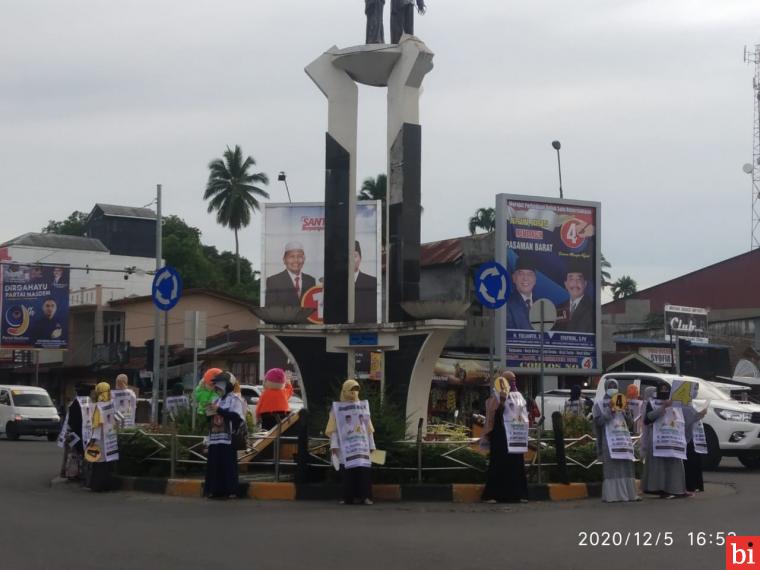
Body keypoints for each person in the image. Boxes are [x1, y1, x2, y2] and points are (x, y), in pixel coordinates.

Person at [325, 379, 376, 505]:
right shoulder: (337, 409)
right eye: (351, 390)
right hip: (345, 449)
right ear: (344, 390)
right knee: (347, 473)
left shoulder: (362, 407)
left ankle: (365, 497)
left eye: (356, 390)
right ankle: (347, 497)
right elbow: (334, 430)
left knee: (364, 472)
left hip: (362, 447)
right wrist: (334, 446)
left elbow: (368, 428)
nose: (354, 393)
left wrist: (372, 445)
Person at [480, 373, 529, 503]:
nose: (513, 383)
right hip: (500, 436)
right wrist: (502, 400)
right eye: (510, 380)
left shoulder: (519, 396)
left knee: (516, 465)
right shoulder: (495, 396)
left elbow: (523, 415)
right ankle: (492, 495)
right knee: (498, 464)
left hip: (515, 436)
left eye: (514, 380)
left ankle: (517, 494)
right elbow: (493, 415)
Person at [592, 379, 639, 502]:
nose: (613, 387)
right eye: (610, 385)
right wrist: (611, 410)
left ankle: (629, 494)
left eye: (615, 386)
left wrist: (627, 412)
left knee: (626, 466)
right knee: (612, 468)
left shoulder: (622, 401)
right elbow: (599, 422)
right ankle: (612, 495)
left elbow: (630, 423)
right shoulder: (600, 404)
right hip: (609, 440)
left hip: (623, 438)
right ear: (606, 387)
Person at [642, 383, 688, 498]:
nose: (664, 393)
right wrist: (663, 408)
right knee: (660, 466)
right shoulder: (652, 403)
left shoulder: (676, 404)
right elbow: (647, 419)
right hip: (659, 438)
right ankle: (661, 490)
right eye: (662, 390)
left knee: (675, 464)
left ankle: (677, 489)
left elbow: (682, 420)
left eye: (666, 390)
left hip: (673, 438)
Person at [204, 372, 245, 499]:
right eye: (216, 384)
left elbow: (237, 417)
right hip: (215, 438)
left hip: (228, 438)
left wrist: (219, 410)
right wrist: (208, 413)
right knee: (214, 464)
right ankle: (215, 490)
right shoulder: (216, 400)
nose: (217, 386)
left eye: (220, 384)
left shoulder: (235, 399)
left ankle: (229, 490)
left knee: (227, 465)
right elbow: (209, 418)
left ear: (228, 385)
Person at [85, 382, 119, 492]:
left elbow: (97, 425)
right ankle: (108, 486)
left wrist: (92, 440)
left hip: (100, 439)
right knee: (109, 464)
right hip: (111, 438)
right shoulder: (112, 404)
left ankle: (97, 486)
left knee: (99, 463)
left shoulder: (98, 406)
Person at [265, 241, 316, 307]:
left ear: (304, 259)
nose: (296, 260)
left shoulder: (311, 280)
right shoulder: (273, 281)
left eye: (299, 256)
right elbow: (271, 309)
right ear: (284, 260)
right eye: (292, 257)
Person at [555, 261, 594, 333]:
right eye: (571, 279)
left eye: (579, 279)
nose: (575, 283)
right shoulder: (558, 309)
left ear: (585, 284)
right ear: (566, 284)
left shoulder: (592, 308)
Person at [684, 397, 708, 495]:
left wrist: (700, 415)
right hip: (687, 437)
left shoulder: (691, 405)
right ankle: (691, 485)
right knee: (691, 461)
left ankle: (696, 485)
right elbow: (688, 420)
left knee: (695, 460)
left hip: (694, 436)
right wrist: (699, 415)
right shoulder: (683, 406)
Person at [507, 257, 537, 330]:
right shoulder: (507, 304)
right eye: (521, 274)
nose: (525, 278)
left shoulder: (540, 303)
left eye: (530, 274)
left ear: (535, 279)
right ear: (514, 278)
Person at [354, 240, 378, 323]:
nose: (351, 260)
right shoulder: (337, 283)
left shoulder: (372, 282)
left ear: (360, 258)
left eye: (354, 256)